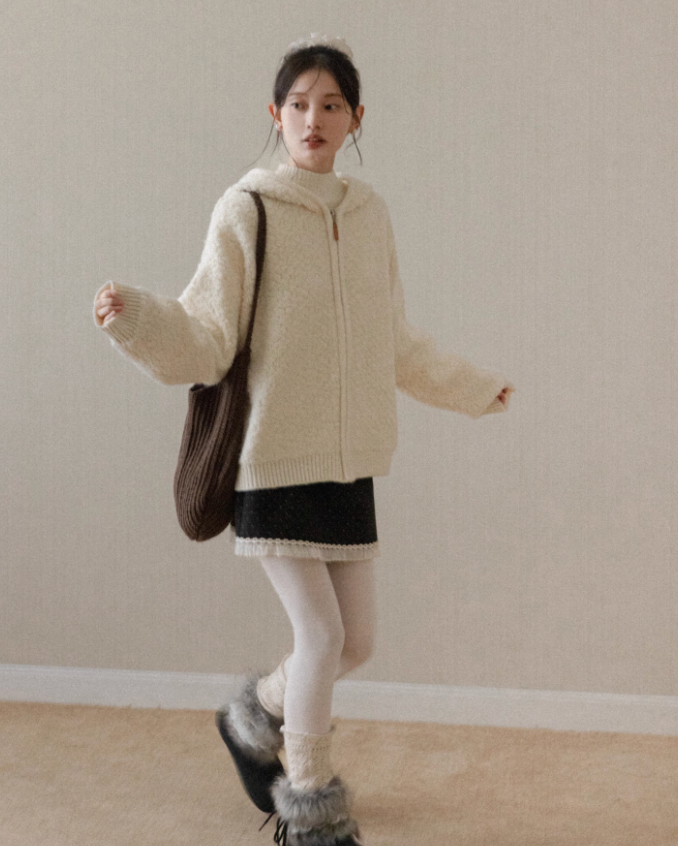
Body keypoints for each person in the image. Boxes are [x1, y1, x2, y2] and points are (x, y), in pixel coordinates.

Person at [94, 34, 514, 846]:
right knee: (320, 638)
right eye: (298, 104)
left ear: (356, 118)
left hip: (349, 464)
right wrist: (135, 319)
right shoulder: (246, 209)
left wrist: (471, 388)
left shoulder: (369, 214)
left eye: (330, 105)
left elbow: (394, 342)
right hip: (273, 461)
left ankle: (253, 717)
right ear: (275, 114)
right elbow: (207, 336)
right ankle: (312, 810)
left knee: (357, 642)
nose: (313, 118)